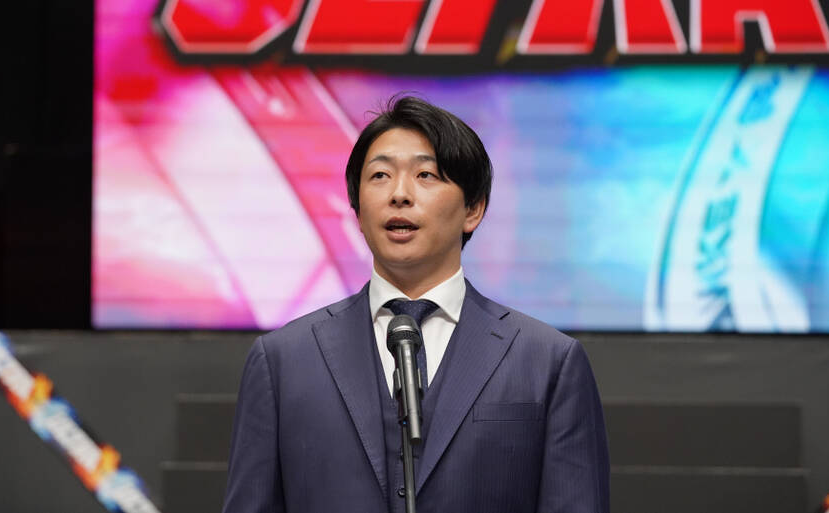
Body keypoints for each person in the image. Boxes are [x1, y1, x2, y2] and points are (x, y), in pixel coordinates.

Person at [222, 96, 610, 513]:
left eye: (426, 175)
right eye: (380, 176)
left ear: (473, 209)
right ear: (357, 209)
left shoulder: (548, 362)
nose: (399, 194)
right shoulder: (283, 361)